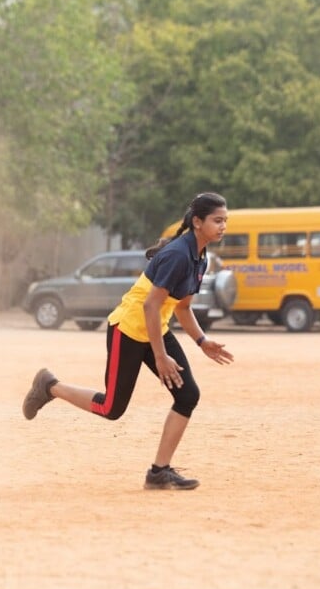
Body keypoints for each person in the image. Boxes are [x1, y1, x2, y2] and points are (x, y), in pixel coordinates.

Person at [21, 192, 234, 490]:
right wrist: (160, 357)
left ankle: (159, 472)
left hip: (155, 330)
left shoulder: (200, 258)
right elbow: (149, 305)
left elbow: (182, 307)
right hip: (130, 329)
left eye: (225, 220)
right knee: (111, 408)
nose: (223, 226)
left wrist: (202, 341)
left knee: (188, 396)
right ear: (198, 222)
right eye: (217, 220)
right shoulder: (178, 255)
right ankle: (49, 386)